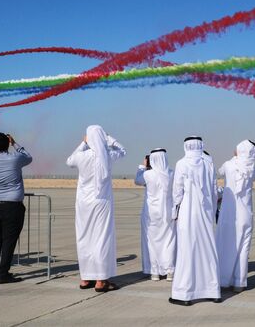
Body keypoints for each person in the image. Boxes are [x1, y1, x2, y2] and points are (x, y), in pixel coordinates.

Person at [66, 125, 126, 292]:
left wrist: (83, 143)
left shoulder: (81, 156)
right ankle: (101, 280)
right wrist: (109, 138)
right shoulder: (107, 155)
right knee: (101, 239)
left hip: (84, 203)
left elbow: (69, 160)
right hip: (102, 203)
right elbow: (123, 150)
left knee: (84, 238)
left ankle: (85, 278)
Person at [169, 136, 221, 306]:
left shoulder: (181, 164)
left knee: (187, 249)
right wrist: (212, 210)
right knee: (207, 249)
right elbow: (214, 190)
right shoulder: (209, 164)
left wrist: (175, 209)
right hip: (205, 212)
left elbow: (177, 191)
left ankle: (185, 294)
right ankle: (213, 291)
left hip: (187, 212)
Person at [0, 133, 32, 284]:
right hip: (12, 206)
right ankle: (3, 274)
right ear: (7, 143)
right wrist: (15, 143)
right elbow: (28, 157)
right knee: (9, 241)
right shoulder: (15, 158)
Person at [215, 140, 255, 293]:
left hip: (229, 214)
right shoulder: (253, 170)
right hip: (246, 214)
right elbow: (251, 171)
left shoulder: (229, 165)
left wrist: (234, 158)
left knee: (225, 246)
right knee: (243, 249)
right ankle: (239, 282)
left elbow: (220, 171)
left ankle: (223, 280)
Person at [134, 148, 176, 281]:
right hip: (168, 213)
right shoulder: (172, 173)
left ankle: (155, 272)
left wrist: (142, 166)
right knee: (169, 242)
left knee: (152, 242)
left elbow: (137, 180)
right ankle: (169, 271)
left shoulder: (148, 175)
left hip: (151, 214)